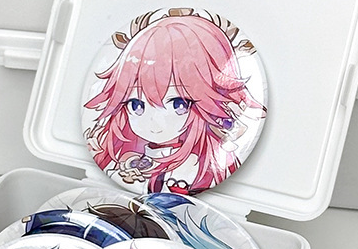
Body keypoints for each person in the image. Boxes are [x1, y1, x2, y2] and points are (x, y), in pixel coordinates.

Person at [84, 10, 265, 194]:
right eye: (136, 105)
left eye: (178, 104)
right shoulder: (129, 158)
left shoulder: (198, 164)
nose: (154, 123)